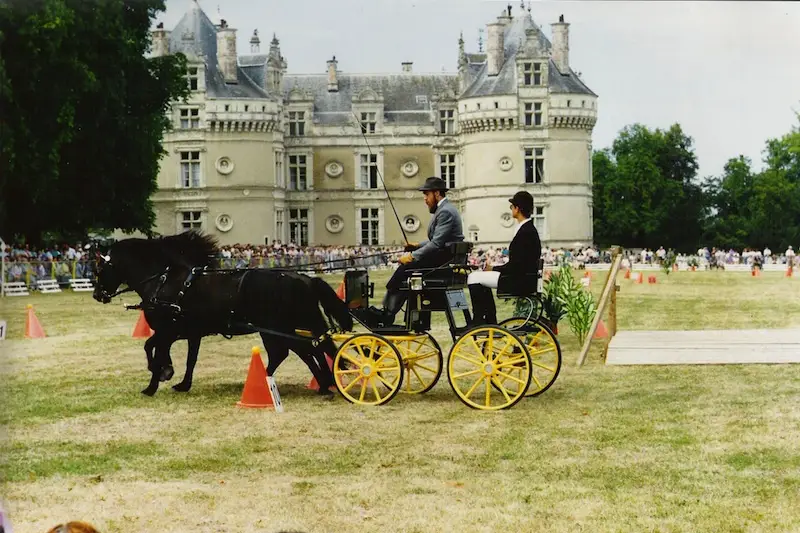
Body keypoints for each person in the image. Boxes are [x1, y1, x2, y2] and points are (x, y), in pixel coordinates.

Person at [380, 176, 464, 324]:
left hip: (443, 263)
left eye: (427, 194)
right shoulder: (445, 210)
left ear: (437, 194)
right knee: (404, 271)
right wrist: (417, 245)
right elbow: (438, 241)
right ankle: (391, 312)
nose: (425, 199)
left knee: (403, 271)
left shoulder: (445, 212)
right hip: (446, 259)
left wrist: (412, 256)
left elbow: (437, 243)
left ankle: (386, 314)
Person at [468, 191, 541, 325]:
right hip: (524, 277)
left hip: (518, 280)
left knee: (473, 277)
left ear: (517, 209)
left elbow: (516, 265)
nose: (511, 209)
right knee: (480, 278)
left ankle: (480, 319)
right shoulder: (528, 230)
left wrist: (494, 268)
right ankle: (489, 318)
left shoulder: (525, 232)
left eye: (512, 207)